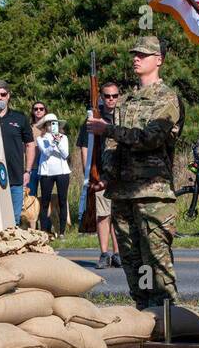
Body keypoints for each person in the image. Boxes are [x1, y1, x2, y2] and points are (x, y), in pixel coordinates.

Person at [88, 37, 184, 309]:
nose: (136, 58)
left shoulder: (167, 98)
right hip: (123, 193)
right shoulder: (126, 101)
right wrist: (105, 175)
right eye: (135, 54)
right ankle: (145, 312)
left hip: (153, 193)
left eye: (144, 54)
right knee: (133, 261)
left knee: (156, 258)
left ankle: (168, 315)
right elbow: (112, 146)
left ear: (159, 60)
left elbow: (151, 138)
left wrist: (107, 129)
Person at [78, 81, 121, 269]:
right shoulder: (93, 118)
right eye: (107, 96)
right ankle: (104, 253)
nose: (111, 99)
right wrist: (88, 174)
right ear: (101, 98)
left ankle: (118, 253)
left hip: (122, 174)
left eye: (115, 96)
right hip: (101, 173)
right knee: (103, 215)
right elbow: (85, 146)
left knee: (119, 216)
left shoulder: (124, 116)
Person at [0, 80, 35, 222]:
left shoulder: (20, 118)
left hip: (15, 175)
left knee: (14, 218)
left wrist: (27, 171)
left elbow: (30, 145)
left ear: (8, 96)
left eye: (3, 94)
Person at [35, 112, 71, 237]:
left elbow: (65, 155)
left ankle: (62, 232)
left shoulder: (64, 138)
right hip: (46, 173)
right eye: (49, 123)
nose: (51, 126)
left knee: (62, 200)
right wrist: (53, 143)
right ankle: (44, 231)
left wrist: (58, 142)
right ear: (45, 125)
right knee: (45, 201)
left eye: (54, 123)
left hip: (62, 172)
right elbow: (46, 153)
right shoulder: (41, 139)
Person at [27, 101, 48, 197]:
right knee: (31, 195)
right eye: (36, 109)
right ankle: (32, 212)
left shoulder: (50, 127)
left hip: (46, 166)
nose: (38, 111)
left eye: (41, 109)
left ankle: (43, 212)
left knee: (45, 195)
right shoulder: (28, 127)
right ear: (32, 111)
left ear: (45, 111)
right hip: (32, 167)